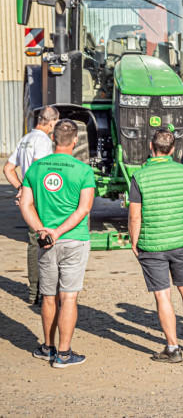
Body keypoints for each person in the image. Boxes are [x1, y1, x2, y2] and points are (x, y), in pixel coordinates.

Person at [128, 130, 183, 363]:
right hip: (180, 243)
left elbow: (135, 217)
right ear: (173, 150)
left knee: (163, 296)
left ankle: (173, 348)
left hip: (151, 245)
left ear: (150, 146)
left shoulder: (139, 176)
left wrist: (134, 242)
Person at [19, 119, 95, 368]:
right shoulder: (83, 171)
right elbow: (84, 209)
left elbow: (25, 203)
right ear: (75, 141)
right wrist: (58, 232)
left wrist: (42, 230)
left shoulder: (36, 169)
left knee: (49, 296)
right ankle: (63, 354)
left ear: (53, 139)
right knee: (69, 298)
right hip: (74, 240)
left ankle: (47, 347)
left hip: (45, 242)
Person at [3, 106, 59, 304]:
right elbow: (38, 169)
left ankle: (33, 291)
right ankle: (44, 292)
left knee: (33, 243)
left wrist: (21, 188)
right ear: (51, 123)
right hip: (40, 198)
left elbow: (8, 169)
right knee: (47, 241)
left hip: (28, 197)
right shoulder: (43, 141)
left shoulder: (25, 139)